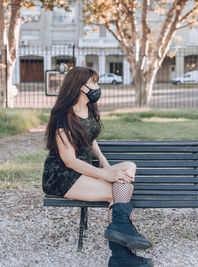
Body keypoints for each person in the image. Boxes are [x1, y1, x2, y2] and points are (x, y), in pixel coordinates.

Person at [42, 66, 153, 267]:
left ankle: (119, 230)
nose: (97, 87)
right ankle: (120, 255)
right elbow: (69, 161)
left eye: (96, 82)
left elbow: (91, 138)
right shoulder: (62, 116)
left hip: (84, 169)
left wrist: (102, 160)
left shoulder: (88, 109)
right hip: (62, 175)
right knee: (116, 191)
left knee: (129, 166)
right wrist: (105, 175)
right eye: (93, 82)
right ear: (79, 86)